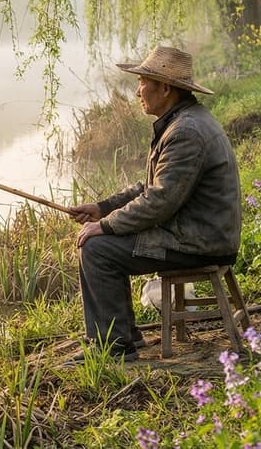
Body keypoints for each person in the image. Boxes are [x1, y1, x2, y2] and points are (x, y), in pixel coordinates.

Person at [67, 45, 241, 362]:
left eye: (143, 82)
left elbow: (158, 202)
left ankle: (115, 348)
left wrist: (104, 226)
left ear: (164, 87)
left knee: (96, 249)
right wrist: (102, 207)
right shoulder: (182, 122)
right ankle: (124, 336)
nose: (137, 92)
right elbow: (152, 188)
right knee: (100, 242)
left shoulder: (185, 131)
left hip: (199, 242)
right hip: (195, 234)